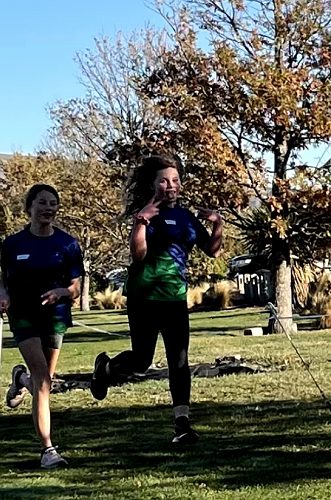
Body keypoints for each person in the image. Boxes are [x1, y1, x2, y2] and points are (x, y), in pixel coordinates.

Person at [90, 155, 223, 444]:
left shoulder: (187, 217)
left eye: (175, 180)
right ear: (153, 185)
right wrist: (141, 223)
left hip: (174, 297)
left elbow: (212, 251)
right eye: (164, 181)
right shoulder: (147, 214)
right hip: (144, 297)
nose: (170, 185)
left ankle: (182, 425)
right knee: (141, 361)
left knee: (179, 360)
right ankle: (105, 369)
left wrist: (217, 224)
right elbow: (138, 255)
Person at [0, 183, 84, 469]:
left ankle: (20, 379)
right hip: (23, 315)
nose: (48, 208)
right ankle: (48, 450)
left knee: (43, 381)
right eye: (42, 203)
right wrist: (4, 296)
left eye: (52, 204)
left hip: (55, 316)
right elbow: (3, 279)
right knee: (43, 380)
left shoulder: (68, 244)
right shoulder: (13, 244)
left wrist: (61, 292)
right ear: (29, 208)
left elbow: (76, 287)